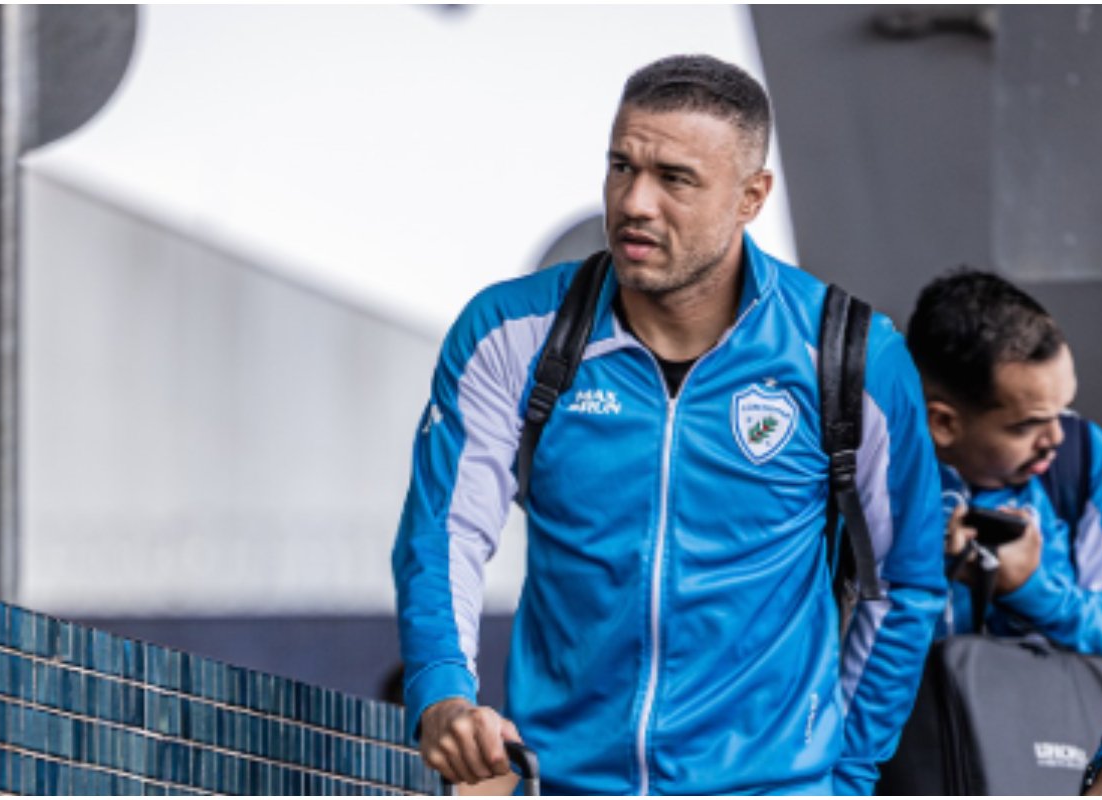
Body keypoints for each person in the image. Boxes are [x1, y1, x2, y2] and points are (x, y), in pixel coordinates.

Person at [391, 54, 946, 795]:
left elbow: (903, 583)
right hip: (565, 783)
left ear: (752, 196)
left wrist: (846, 778)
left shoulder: (853, 356)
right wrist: (442, 690)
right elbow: (446, 535)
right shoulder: (511, 333)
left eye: (675, 179)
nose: (635, 203)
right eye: (622, 166)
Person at [905, 269, 1102, 655]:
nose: (1056, 438)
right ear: (944, 424)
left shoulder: (1083, 460)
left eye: (1063, 411)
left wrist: (1029, 589)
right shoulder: (867, 488)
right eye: (1028, 426)